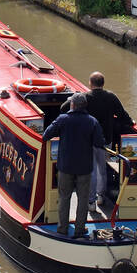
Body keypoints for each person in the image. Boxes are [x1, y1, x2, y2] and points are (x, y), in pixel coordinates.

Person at [60, 72, 134, 212]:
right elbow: (122, 114)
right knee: (102, 169)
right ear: (103, 83)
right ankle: (101, 197)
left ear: (90, 83)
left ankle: (91, 202)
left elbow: (64, 108)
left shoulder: (85, 97)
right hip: (106, 140)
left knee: (91, 171)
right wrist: (130, 122)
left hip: (88, 140)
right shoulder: (111, 97)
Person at [42, 92, 105, 239]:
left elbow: (46, 135)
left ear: (72, 105)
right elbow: (99, 143)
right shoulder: (92, 121)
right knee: (83, 200)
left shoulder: (63, 119)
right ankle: (79, 230)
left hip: (65, 167)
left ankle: (62, 229)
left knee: (64, 197)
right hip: (84, 168)